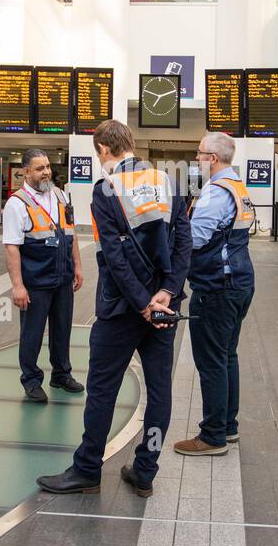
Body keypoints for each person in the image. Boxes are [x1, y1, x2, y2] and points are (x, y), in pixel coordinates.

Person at [37, 120, 191, 498]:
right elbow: (184, 241)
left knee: (103, 390)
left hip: (122, 309)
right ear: (132, 144)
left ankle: (88, 469)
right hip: (164, 310)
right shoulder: (169, 182)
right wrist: (167, 292)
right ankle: (145, 470)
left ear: (105, 150)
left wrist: (141, 303)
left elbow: (117, 257)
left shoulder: (105, 190)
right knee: (159, 393)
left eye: (98, 153)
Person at [174, 131, 256, 457]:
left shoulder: (215, 192)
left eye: (199, 153)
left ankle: (212, 436)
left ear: (214, 159)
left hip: (216, 287)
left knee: (210, 362)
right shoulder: (238, 187)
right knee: (226, 356)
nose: (196, 159)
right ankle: (228, 427)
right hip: (240, 282)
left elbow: (194, 239)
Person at [2, 149, 85, 402]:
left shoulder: (60, 195)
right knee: (33, 334)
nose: (47, 172)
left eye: (47, 167)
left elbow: (71, 234)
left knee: (62, 330)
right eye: (40, 168)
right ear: (26, 172)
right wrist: (18, 286)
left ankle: (61, 374)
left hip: (62, 279)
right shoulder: (17, 204)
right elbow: (11, 247)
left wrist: (78, 267)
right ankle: (31, 380)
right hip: (36, 283)